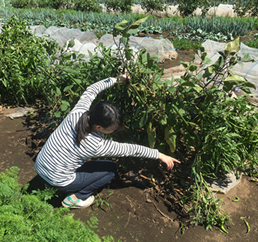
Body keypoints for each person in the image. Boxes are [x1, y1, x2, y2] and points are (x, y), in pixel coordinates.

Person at [35, 75, 180, 209]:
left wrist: (116, 79)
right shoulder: (96, 145)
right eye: (112, 129)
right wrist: (160, 155)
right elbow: (131, 149)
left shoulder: (78, 112)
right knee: (109, 169)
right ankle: (76, 198)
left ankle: (48, 181)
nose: (114, 131)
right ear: (98, 127)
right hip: (58, 180)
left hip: (40, 165)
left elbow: (91, 90)